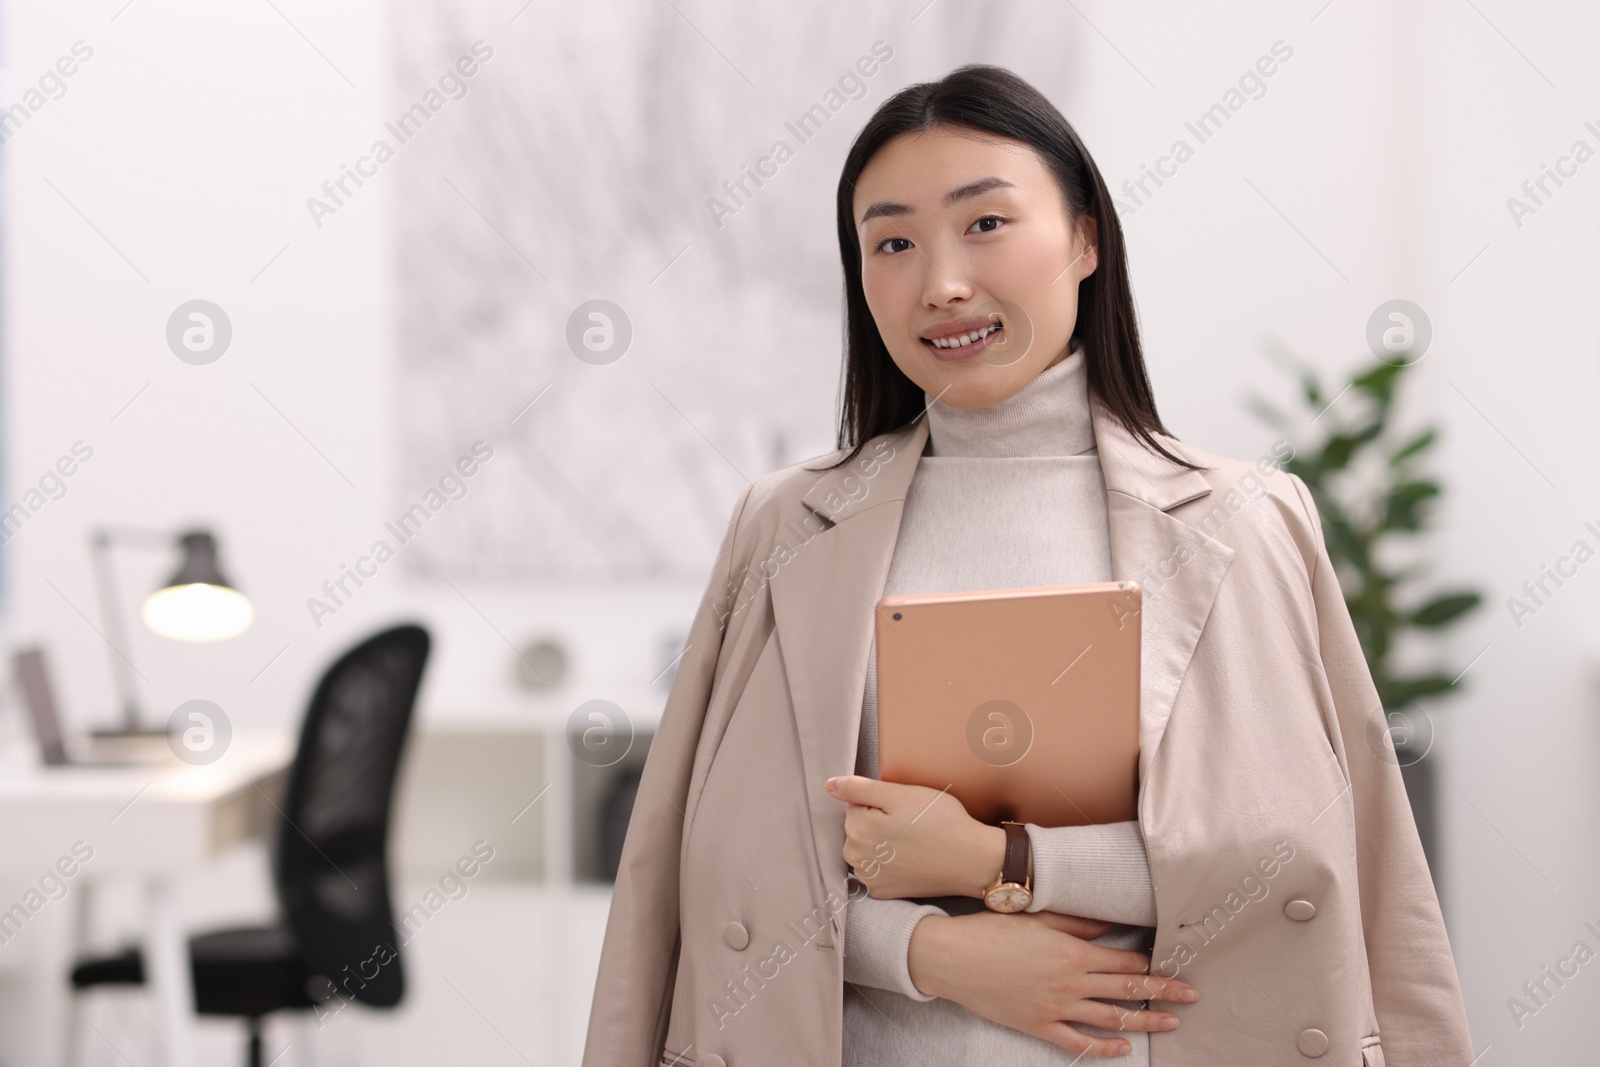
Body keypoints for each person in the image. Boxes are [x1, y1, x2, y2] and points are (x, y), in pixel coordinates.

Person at [581, 64, 1472, 1067]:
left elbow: (1299, 862)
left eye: (986, 224)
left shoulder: (1244, 518)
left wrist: (1000, 859)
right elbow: (716, 868)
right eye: (892, 242)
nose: (942, 282)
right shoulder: (787, 523)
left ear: (1086, 238)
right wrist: (932, 950)